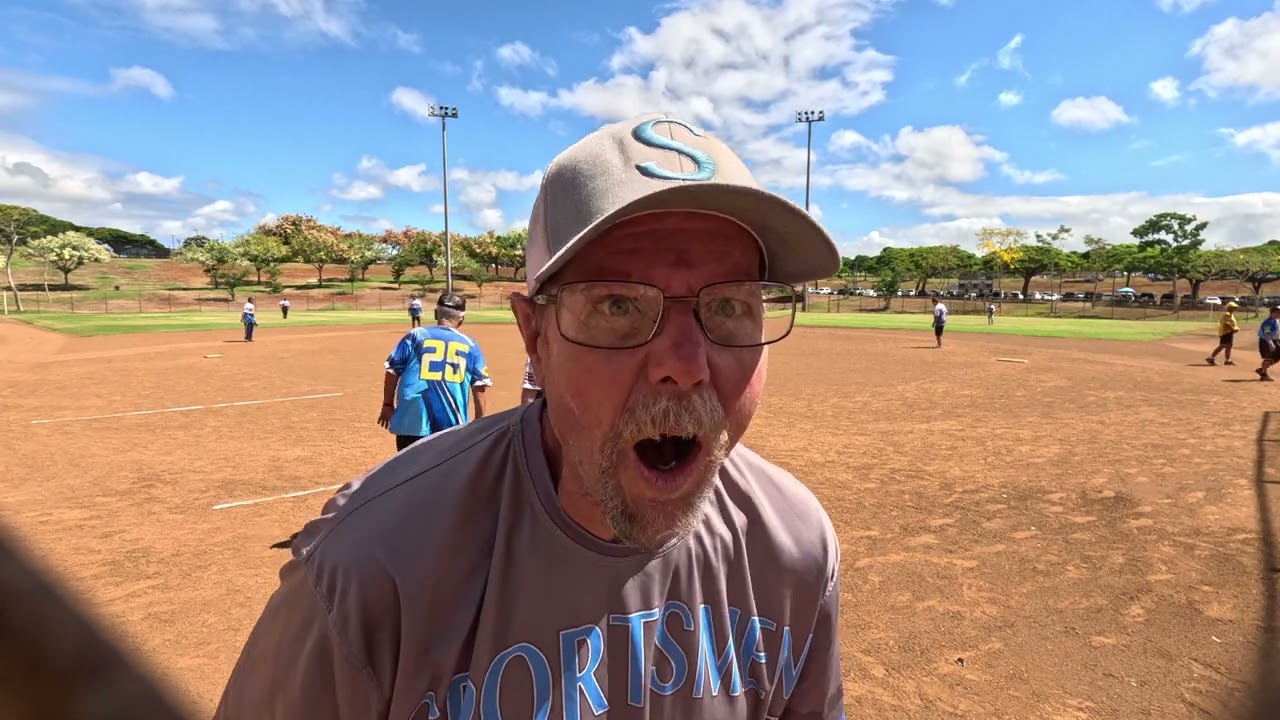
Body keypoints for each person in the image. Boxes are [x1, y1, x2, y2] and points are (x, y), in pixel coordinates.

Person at [215, 113, 844, 720]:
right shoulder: (366, 573)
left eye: (732, 306)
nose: (686, 364)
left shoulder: (793, 548)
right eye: (618, 304)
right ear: (534, 336)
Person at [377, 292, 491, 451]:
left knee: (408, 471)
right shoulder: (470, 345)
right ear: (461, 318)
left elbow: (392, 371)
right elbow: (480, 386)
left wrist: (387, 404)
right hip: (451, 423)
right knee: (444, 473)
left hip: (412, 420)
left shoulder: (415, 335)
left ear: (436, 313)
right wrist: (480, 422)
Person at [1207, 301, 1240, 366]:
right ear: (1229, 308)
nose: (1235, 309)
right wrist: (1233, 329)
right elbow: (1226, 323)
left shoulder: (1230, 314)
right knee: (1222, 346)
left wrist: (1233, 329)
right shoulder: (1227, 314)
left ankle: (1228, 360)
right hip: (1225, 333)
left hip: (1229, 332)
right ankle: (1211, 358)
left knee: (1229, 346)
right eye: (1233, 307)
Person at [1257, 306, 1280, 381]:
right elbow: (1267, 333)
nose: (1278, 314)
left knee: (1277, 356)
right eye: (1277, 312)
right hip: (1266, 341)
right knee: (1269, 357)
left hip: (1274, 340)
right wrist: (1270, 343)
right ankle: (1264, 375)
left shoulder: (1275, 320)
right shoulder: (1269, 322)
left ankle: (1262, 369)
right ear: (1272, 313)